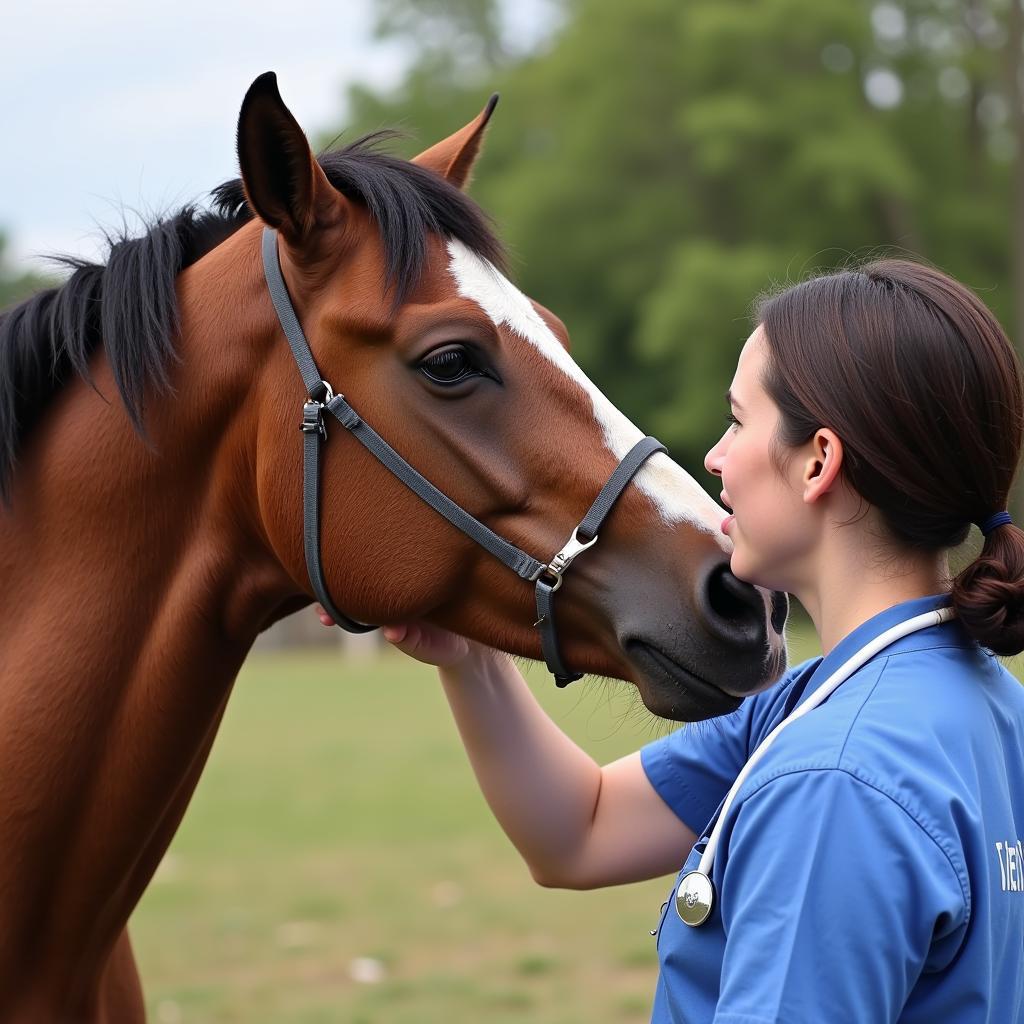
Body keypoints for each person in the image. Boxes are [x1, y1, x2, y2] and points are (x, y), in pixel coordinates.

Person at [320, 259, 1024, 1022]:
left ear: (819, 460)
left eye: (738, 421)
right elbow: (579, 834)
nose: (714, 459)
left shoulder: (833, 778)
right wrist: (471, 661)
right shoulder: (958, 702)